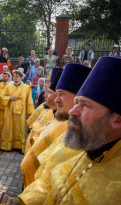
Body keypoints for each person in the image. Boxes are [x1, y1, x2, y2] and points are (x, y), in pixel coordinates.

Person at [19, 57, 121, 204]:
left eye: (85, 105)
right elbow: (48, 182)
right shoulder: (88, 140)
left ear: (117, 120)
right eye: (76, 102)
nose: (72, 111)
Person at [19, 63, 91, 191]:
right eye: (56, 93)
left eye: (61, 94)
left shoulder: (76, 129)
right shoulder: (61, 119)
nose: (56, 99)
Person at [0, 70, 34, 152]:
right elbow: (1, 96)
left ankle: (19, 147)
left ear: (21, 77)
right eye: (14, 76)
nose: (15, 78)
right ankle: (8, 146)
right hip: (10, 111)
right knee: (9, 127)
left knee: (20, 128)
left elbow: (29, 101)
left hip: (22, 112)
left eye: (17, 76)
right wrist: (10, 98)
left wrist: (29, 113)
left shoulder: (26, 88)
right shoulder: (8, 87)